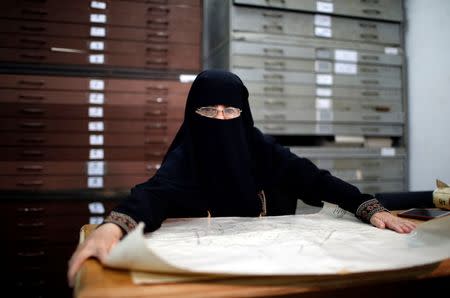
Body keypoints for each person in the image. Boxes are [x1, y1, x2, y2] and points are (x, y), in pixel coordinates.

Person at [67, 69, 416, 287]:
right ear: (193, 114)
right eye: (208, 111)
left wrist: (366, 206)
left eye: (230, 110)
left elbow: (313, 178)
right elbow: (154, 193)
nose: (220, 120)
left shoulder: (258, 147)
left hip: (278, 268)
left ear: (243, 113)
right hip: (208, 276)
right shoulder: (187, 154)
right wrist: (113, 228)